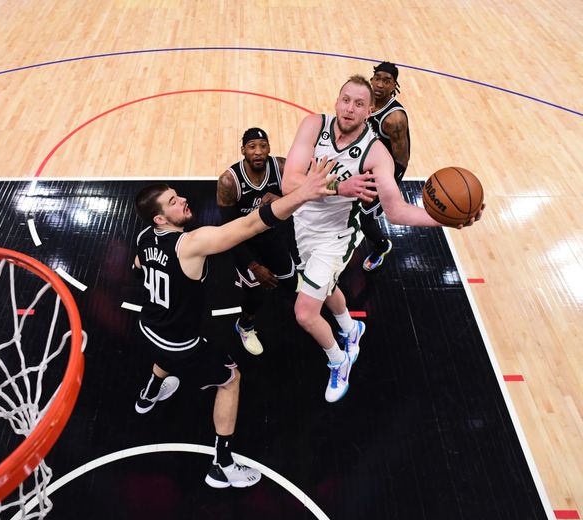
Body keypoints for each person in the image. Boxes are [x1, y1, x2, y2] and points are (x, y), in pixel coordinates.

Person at [132, 156, 344, 488]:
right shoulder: (189, 245)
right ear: (161, 217)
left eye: (177, 194)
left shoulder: (145, 235)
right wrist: (303, 193)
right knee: (230, 378)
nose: (184, 199)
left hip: (149, 328)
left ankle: (148, 395)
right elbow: (249, 226)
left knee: (165, 353)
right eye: (174, 201)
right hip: (180, 343)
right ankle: (222, 465)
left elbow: (138, 264)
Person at [282, 74, 483, 403]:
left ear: (370, 110)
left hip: (337, 236)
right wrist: (340, 187)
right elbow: (291, 183)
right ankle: (350, 328)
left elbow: (397, 211)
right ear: (336, 101)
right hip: (303, 226)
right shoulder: (312, 125)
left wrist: (447, 220)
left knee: (305, 312)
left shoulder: (376, 155)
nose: (349, 108)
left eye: (359, 104)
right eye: (345, 100)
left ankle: (339, 360)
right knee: (325, 286)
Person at [216, 127, 297, 355]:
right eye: (252, 147)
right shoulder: (228, 182)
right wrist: (254, 266)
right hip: (245, 242)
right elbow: (229, 232)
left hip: (272, 236)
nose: (258, 152)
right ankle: (245, 326)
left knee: (290, 280)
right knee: (256, 294)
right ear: (243, 150)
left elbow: (308, 192)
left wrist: (283, 199)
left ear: (269, 148)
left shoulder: (281, 167)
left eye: (263, 146)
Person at [360, 61, 411, 271]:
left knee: (365, 217)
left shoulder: (394, 119)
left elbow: (402, 159)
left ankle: (381, 246)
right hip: (367, 163)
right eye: (377, 78)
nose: (380, 84)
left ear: (394, 86)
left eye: (387, 81)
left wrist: (387, 187)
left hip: (385, 172)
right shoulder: (366, 100)